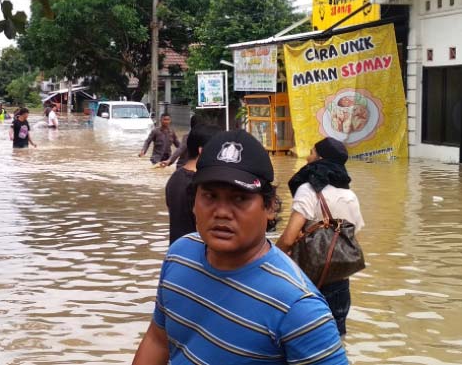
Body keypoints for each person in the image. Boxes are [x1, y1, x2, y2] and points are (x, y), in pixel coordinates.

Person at [132, 130, 348, 365]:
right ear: (193, 202)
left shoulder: (299, 307)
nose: (222, 212)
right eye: (210, 196)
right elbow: (158, 339)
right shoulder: (179, 255)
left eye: (240, 198)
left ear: (270, 207)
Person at [276, 137, 364, 337]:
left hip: (308, 281)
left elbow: (288, 239)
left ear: (320, 159)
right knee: (335, 341)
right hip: (341, 284)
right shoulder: (350, 195)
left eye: (312, 152)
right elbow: (353, 236)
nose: (308, 157)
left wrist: (269, 260)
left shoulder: (308, 190)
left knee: (302, 339)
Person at [164, 123, 220, 245]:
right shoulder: (201, 185)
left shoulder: (174, 178)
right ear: (202, 151)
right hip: (197, 255)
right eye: (219, 150)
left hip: (178, 253)